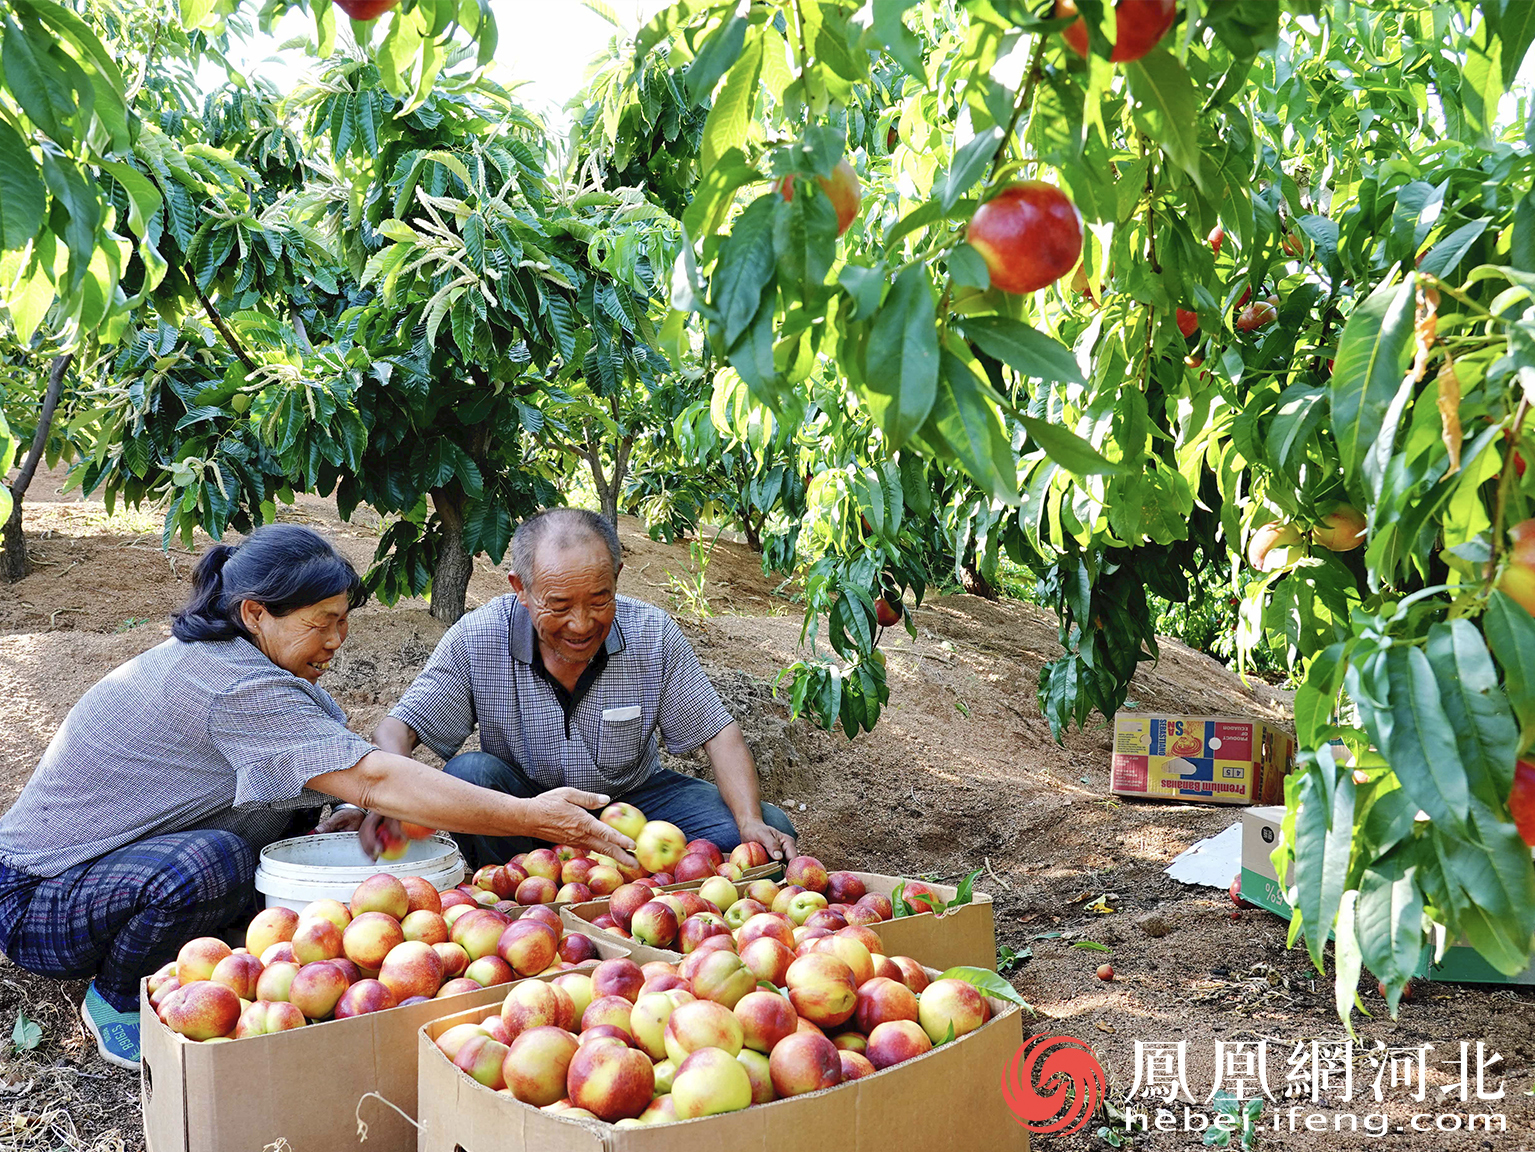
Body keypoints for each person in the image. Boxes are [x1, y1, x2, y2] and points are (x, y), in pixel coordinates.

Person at [0, 525, 634, 1070]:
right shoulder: (235, 687)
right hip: (34, 896)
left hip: (106, 867)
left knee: (292, 831)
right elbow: (376, 777)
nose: (337, 640)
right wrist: (530, 816)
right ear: (255, 614)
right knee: (215, 863)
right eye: (321, 624)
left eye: (343, 622)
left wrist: (357, 822)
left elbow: (347, 778)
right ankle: (115, 999)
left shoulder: (260, 669)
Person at [370, 507, 798, 871]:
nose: (581, 624)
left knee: (767, 829)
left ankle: (635, 893)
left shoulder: (652, 633)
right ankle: (516, 894)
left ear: (617, 576)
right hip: (526, 811)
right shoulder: (478, 637)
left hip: (631, 801)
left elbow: (718, 733)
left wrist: (748, 821)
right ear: (521, 588)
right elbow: (397, 730)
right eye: (558, 606)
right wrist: (389, 803)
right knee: (471, 774)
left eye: (599, 600)